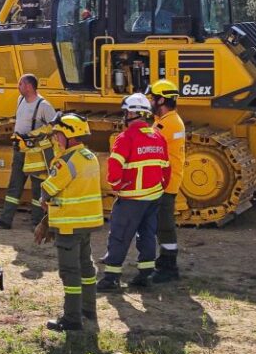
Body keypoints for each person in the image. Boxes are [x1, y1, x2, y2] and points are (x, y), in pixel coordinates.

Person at [34, 114, 102, 332]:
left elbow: (48, 188)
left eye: (58, 134)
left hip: (68, 225)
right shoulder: (89, 156)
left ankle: (72, 319)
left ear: (70, 135)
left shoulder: (66, 161)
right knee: (86, 267)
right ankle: (89, 310)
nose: (56, 139)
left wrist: (44, 204)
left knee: (70, 271)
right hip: (87, 223)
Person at [97, 94, 169, 291]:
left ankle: (111, 277)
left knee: (119, 235)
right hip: (153, 196)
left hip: (131, 198)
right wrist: (159, 187)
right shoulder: (158, 136)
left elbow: (114, 168)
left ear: (131, 113)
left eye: (125, 112)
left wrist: (117, 186)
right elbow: (166, 167)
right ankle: (146, 274)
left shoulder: (125, 138)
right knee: (147, 235)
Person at [0, 74, 56, 229]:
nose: (18, 87)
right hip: (20, 150)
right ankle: (6, 219)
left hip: (35, 154)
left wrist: (32, 135)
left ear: (28, 86)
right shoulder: (20, 101)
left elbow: (55, 127)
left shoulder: (44, 105)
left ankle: (38, 222)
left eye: (20, 84)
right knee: (15, 184)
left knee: (37, 187)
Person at [148, 79, 185, 283]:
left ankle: (169, 266)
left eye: (153, 98)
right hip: (169, 178)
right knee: (162, 224)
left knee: (164, 225)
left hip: (165, 181)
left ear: (161, 99)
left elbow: (149, 140)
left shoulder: (166, 123)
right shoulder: (172, 119)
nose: (151, 101)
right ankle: (165, 261)